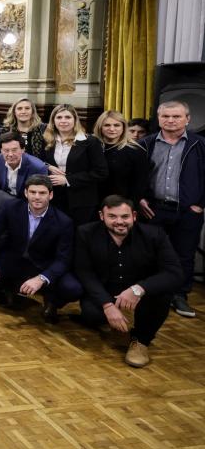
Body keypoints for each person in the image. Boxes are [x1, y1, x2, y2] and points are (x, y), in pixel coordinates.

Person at [73, 196, 183, 368]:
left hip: (140, 292)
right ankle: (116, 324)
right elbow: (84, 272)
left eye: (125, 216)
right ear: (102, 216)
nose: (119, 222)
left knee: (163, 293)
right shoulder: (85, 233)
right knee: (91, 314)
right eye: (112, 216)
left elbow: (174, 273)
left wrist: (139, 289)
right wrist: (107, 305)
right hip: (106, 290)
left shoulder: (155, 234)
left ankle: (141, 341)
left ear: (134, 216)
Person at [0, 174, 82, 322]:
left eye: (42, 193)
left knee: (73, 288)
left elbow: (63, 259)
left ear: (50, 195)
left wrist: (41, 278)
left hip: (44, 265)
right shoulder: (10, 207)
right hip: (15, 259)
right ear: (26, 193)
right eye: (33, 192)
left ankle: (52, 302)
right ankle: (11, 290)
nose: (37, 197)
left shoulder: (64, 221)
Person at [139, 100, 205, 318]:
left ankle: (179, 295)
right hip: (153, 210)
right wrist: (139, 198)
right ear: (158, 119)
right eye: (165, 116)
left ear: (187, 119)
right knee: (150, 253)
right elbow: (135, 176)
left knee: (184, 255)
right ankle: (149, 291)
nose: (170, 120)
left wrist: (200, 204)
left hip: (187, 212)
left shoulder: (200, 144)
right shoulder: (146, 143)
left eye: (176, 116)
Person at [41, 103, 108, 225]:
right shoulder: (47, 140)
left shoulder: (90, 141)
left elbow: (101, 173)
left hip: (82, 200)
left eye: (68, 117)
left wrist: (68, 180)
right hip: (55, 198)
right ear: (53, 121)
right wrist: (47, 166)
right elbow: (39, 160)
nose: (63, 121)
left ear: (75, 120)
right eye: (59, 117)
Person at [94, 111, 150, 204]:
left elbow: (139, 184)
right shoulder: (91, 146)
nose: (112, 129)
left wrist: (129, 205)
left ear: (124, 127)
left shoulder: (136, 150)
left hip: (121, 204)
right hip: (91, 202)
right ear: (100, 127)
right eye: (107, 125)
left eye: (117, 125)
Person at [0, 132, 48, 198]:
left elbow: (41, 195)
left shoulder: (38, 167)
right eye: (6, 150)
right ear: (1, 150)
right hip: (3, 198)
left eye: (14, 150)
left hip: (26, 201)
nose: (10, 154)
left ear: (23, 150)